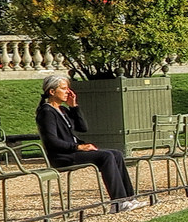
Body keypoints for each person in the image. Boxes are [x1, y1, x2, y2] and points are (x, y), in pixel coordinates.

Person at [36, 72, 146, 212]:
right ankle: (118, 203)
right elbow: (52, 141)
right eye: (63, 88)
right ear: (52, 91)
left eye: (68, 88)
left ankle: (129, 198)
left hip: (72, 152)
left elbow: (83, 128)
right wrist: (78, 147)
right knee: (106, 156)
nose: (68, 92)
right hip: (62, 156)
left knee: (117, 154)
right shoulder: (46, 112)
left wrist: (74, 107)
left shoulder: (62, 110)